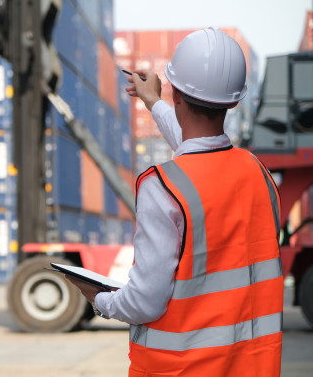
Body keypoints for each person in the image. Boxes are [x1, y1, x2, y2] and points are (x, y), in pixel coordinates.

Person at [66, 27, 283, 377]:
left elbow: (145, 301)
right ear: (234, 101)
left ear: (177, 92)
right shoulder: (257, 172)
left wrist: (100, 300)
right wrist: (153, 101)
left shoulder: (162, 186)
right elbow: (199, 145)